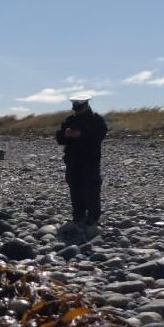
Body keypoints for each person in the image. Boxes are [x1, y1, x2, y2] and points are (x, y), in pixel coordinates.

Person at [55, 94, 107, 237]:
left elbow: (100, 134)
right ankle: (78, 215)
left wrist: (81, 134)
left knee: (92, 188)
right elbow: (59, 138)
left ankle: (93, 217)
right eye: (75, 106)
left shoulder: (96, 120)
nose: (76, 109)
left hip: (90, 160)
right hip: (72, 160)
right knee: (75, 188)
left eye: (79, 106)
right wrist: (65, 134)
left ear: (86, 105)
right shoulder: (70, 120)